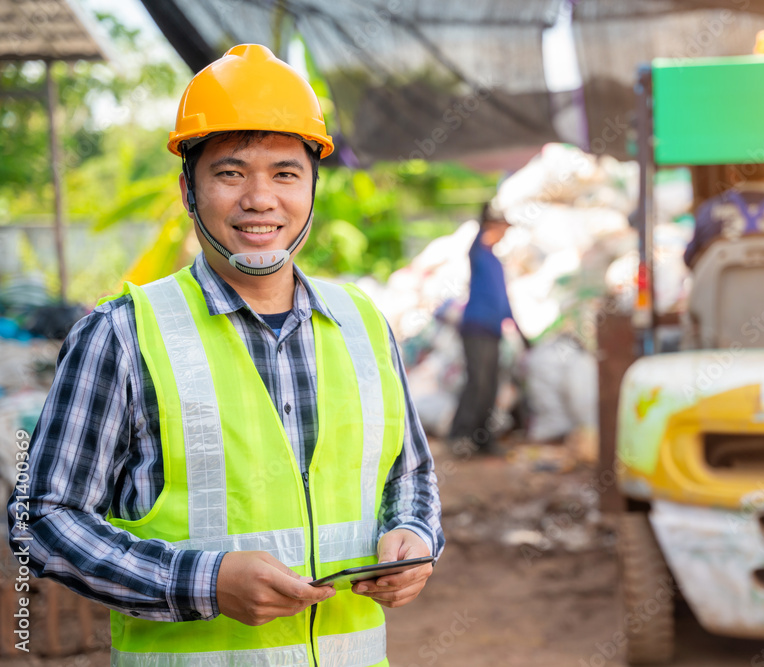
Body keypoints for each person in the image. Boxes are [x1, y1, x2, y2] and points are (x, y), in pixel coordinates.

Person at [6, 44, 442, 666]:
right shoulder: (123, 335)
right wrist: (202, 582)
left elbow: (412, 476)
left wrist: (415, 536)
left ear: (313, 188)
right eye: (231, 172)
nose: (260, 199)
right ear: (189, 190)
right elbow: (41, 520)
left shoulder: (363, 323)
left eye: (285, 173)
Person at [448, 201, 520, 456]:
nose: (505, 233)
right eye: (501, 227)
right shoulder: (479, 254)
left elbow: (504, 300)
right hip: (476, 328)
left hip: (493, 330)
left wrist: (519, 329)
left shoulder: (496, 262)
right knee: (477, 382)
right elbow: (479, 238)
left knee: (489, 385)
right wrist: (484, 213)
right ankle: (460, 435)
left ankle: (482, 438)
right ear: (491, 226)